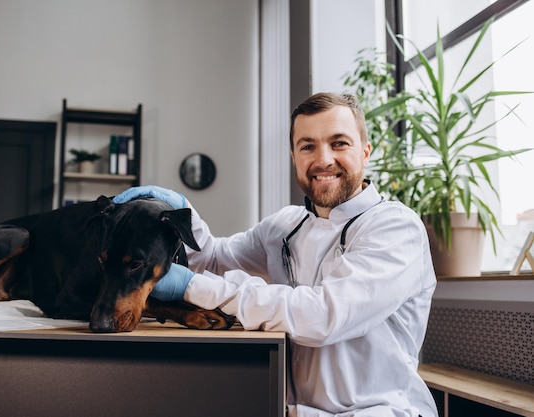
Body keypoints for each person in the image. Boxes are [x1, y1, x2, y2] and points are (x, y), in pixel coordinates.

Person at [113, 92, 438, 417]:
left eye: (339, 143)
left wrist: (190, 287)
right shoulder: (287, 224)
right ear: (294, 157)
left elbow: (324, 316)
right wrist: (184, 213)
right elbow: (214, 259)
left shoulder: (395, 227)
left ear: (365, 153)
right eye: (308, 146)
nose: (324, 159)